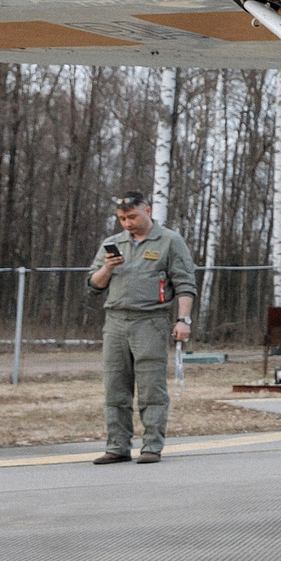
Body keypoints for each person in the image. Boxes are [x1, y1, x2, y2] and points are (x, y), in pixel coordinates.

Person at [89, 191, 198, 465]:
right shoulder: (112, 244)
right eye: (122, 218)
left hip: (150, 321)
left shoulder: (169, 241)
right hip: (115, 322)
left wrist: (183, 320)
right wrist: (107, 268)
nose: (128, 223)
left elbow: (185, 284)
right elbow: (93, 285)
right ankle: (117, 445)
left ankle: (152, 445)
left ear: (147, 210)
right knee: (115, 386)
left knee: (151, 386)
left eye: (133, 216)